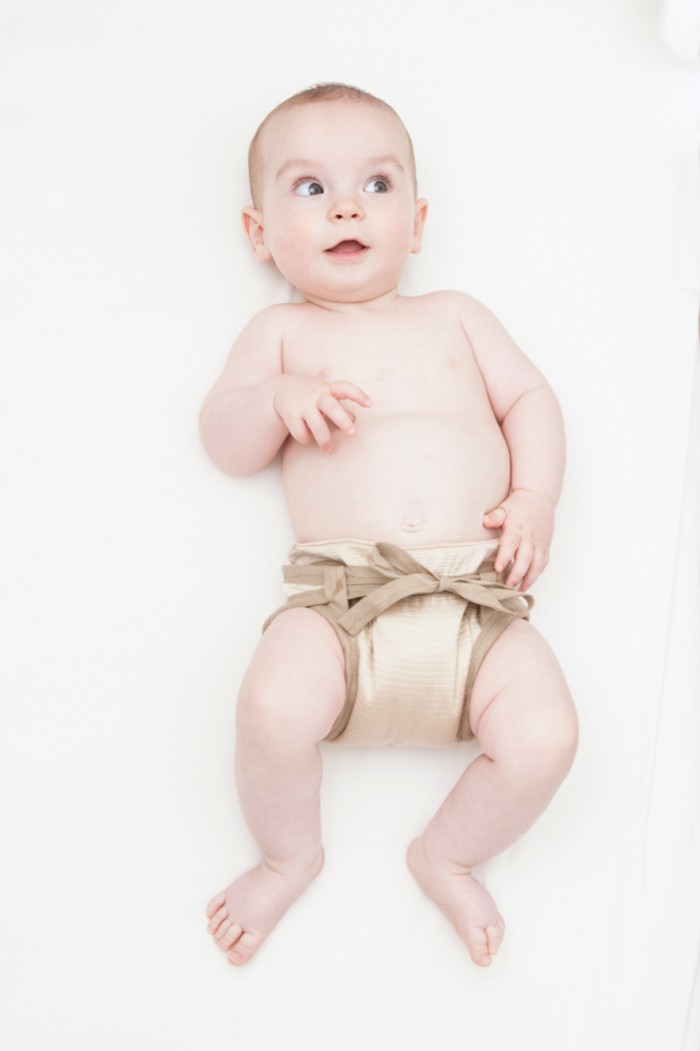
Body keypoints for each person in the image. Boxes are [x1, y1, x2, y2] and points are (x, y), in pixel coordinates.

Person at [201, 83, 578, 969]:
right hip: (343, 607)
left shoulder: (455, 316)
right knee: (269, 706)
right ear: (259, 233)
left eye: (376, 184)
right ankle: (289, 856)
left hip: (477, 608)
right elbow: (222, 437)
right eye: (310, 187)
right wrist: (275, 399)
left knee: (548, 736)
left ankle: (448, 854)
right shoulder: (281, 333)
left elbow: (531, 398)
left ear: (417, 222)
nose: (346, 206)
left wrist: (536, 497)